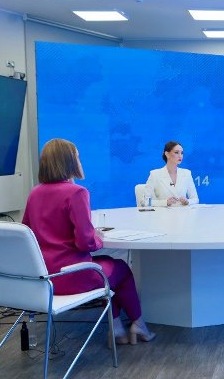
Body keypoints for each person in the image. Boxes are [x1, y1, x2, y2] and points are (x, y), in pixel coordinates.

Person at [23, 138, 155, 345]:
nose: (80, 160)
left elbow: (27, 233)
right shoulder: (76, 193)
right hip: (72, 276)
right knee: (121, 269)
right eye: (77, 157)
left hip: (44, 278)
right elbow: (86, 243)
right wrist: (97, 237)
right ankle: (138, 324)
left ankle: (117, 327)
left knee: (106, 266)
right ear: (69, 161)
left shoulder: (35, 193)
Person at [146, 141, 199, 207]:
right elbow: (145, 201)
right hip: (163, 213)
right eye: (176, 152)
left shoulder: (187, 173)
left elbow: (195, 199)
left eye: (182, 153)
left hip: (183, 212)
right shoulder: (155, 174)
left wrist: (187, 201)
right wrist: (165, 202)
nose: (180, 156)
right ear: (167, 154)